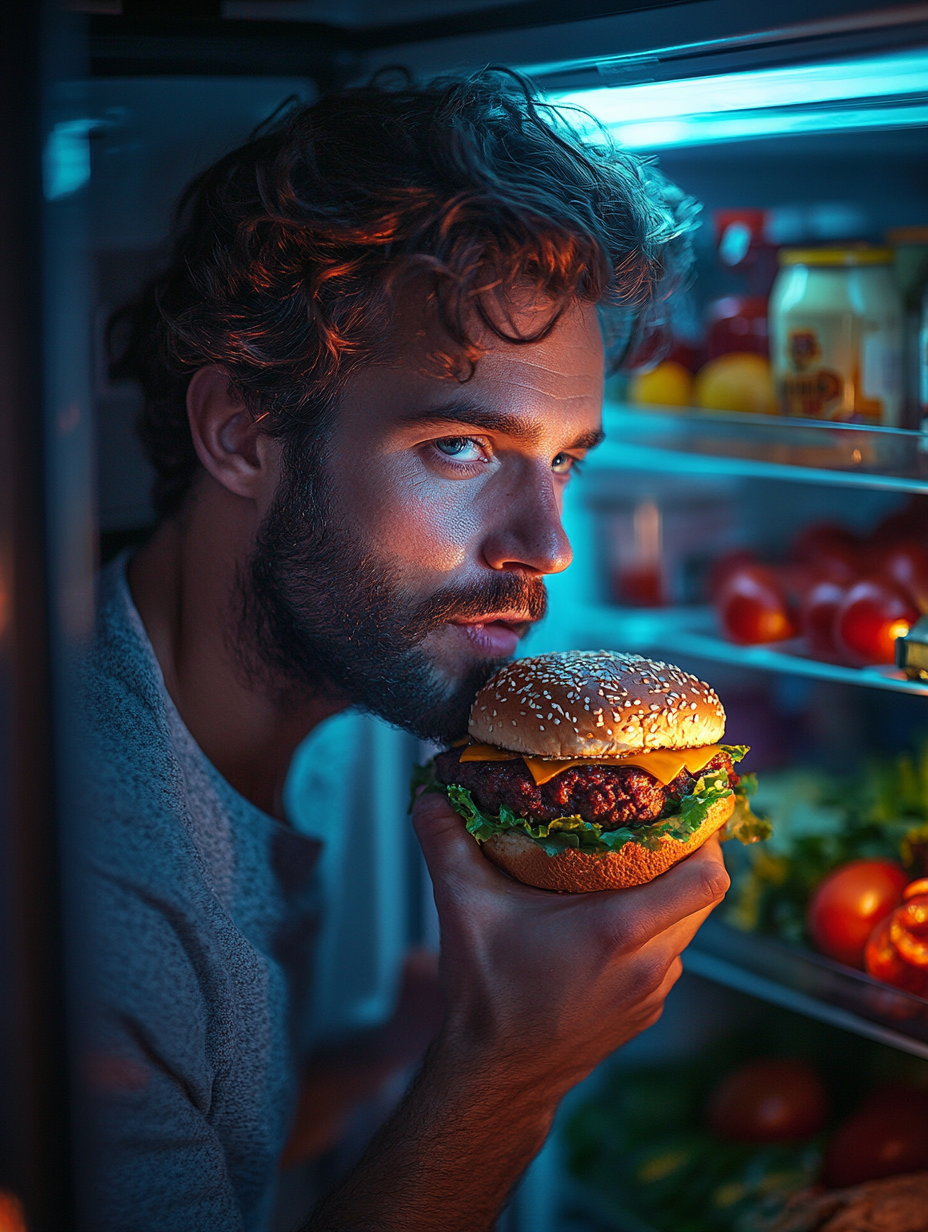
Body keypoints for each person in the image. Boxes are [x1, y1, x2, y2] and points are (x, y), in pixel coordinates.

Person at [82, 69, 725, 1231]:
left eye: (564, 458)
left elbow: (209, 1139)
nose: (549, 545)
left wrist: (399, 1041)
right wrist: (508, 1070)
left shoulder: (297, 687)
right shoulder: (101, 895)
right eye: (462, 447)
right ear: (241, 432)